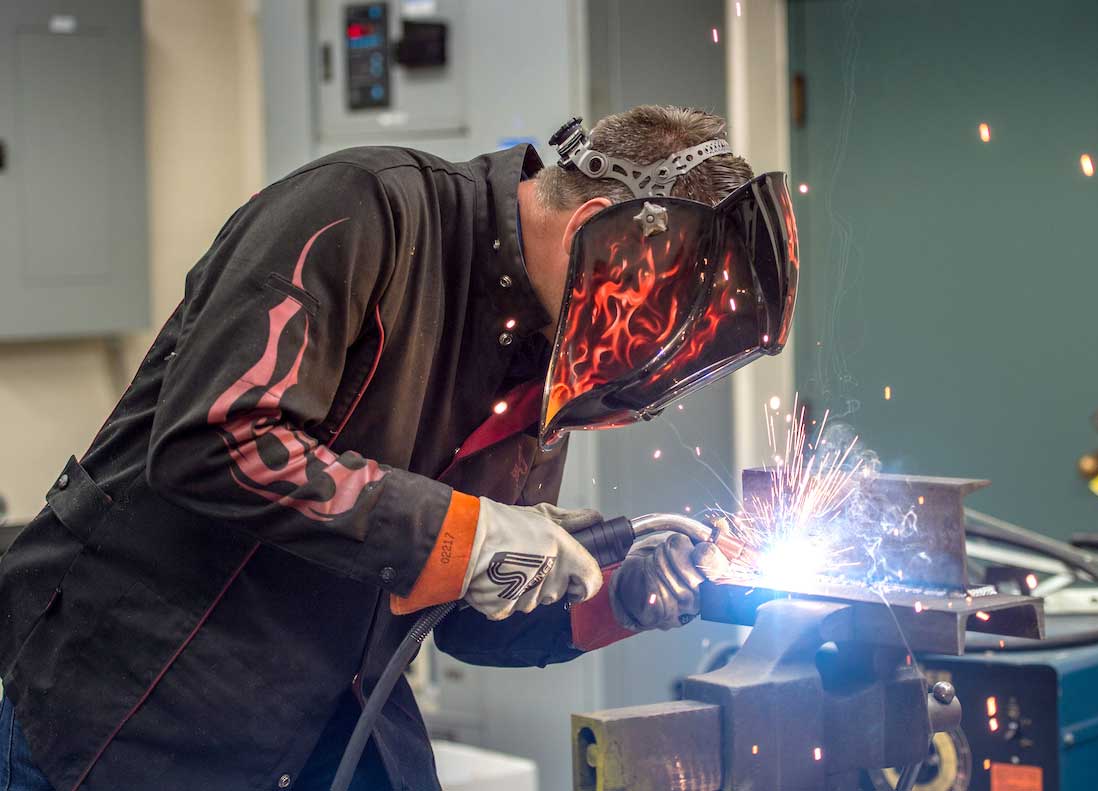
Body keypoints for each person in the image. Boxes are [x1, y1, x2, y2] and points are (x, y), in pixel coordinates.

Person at [0, 105, 797, 790]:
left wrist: (615, 593)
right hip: (132, 710)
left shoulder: (543, 355)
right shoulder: (365, 212)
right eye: (651, 325)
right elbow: (215, 437)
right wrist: (469, 531)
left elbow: (466, 621)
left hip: (320, 726)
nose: (644, 359)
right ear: (597, 235)